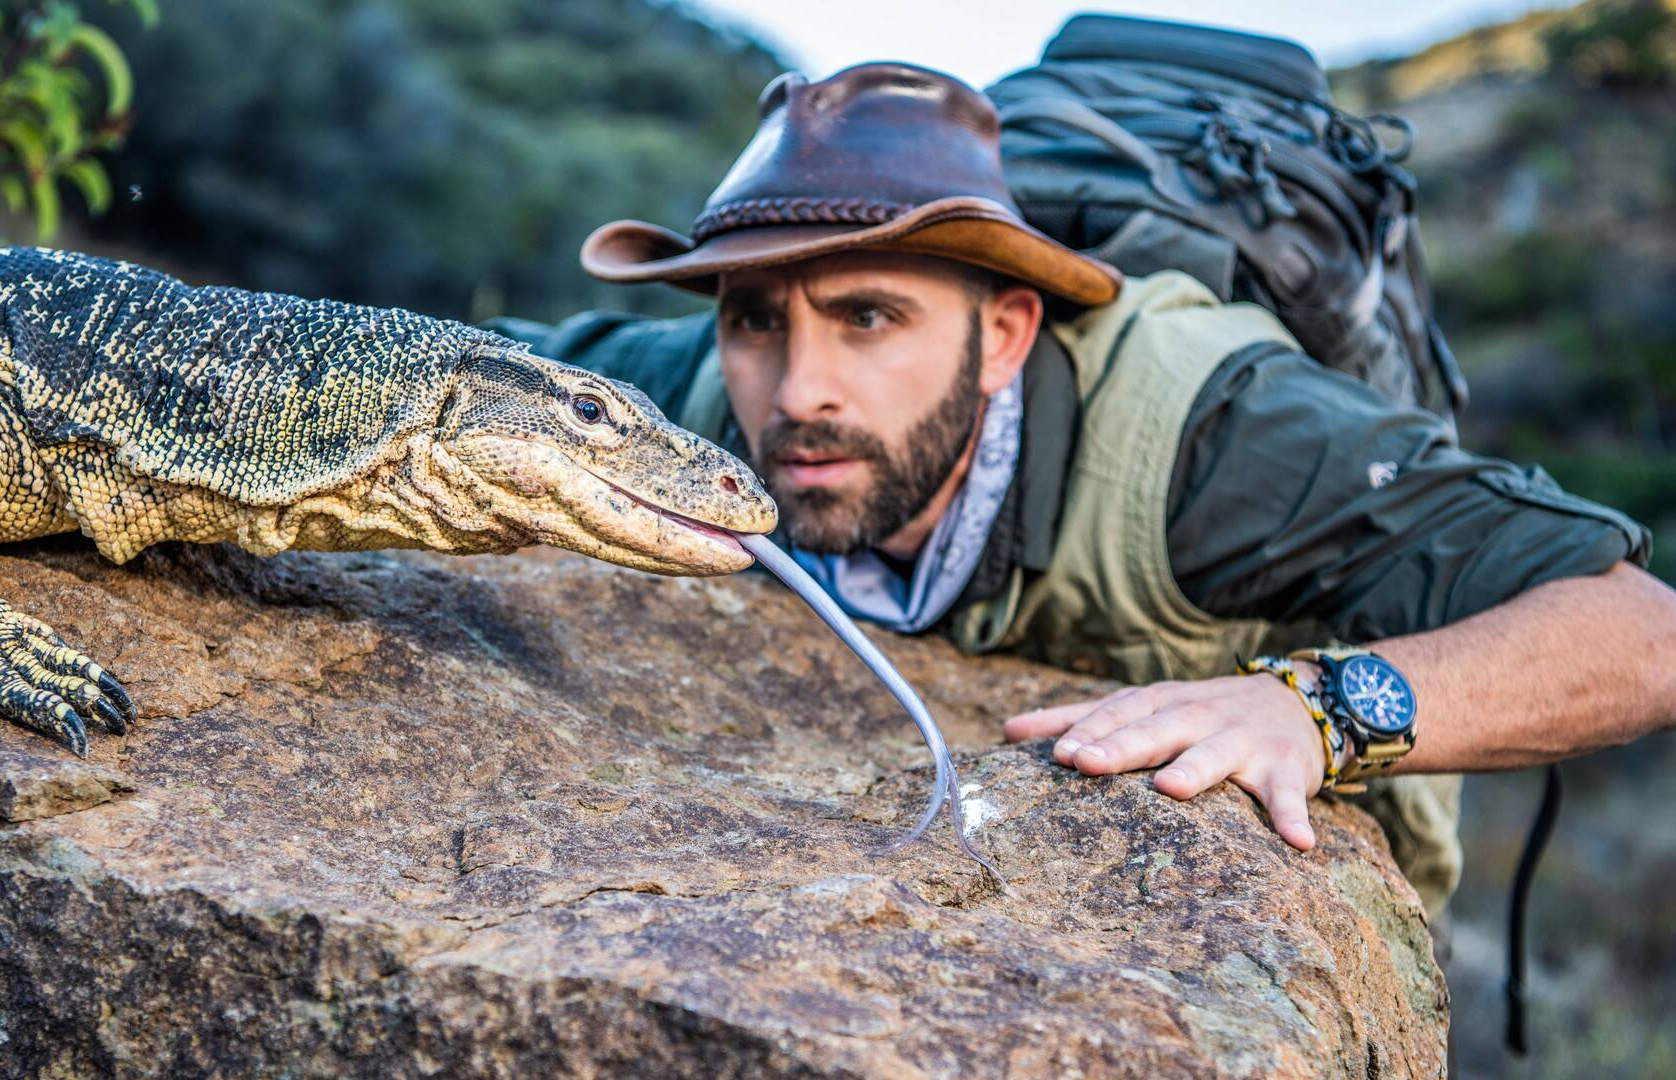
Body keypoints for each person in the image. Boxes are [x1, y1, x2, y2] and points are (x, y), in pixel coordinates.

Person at [488, 62, 1676, 914]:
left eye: (868, 317)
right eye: (755, 318)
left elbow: (1641, 633)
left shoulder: (1216, 434)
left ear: (1005, 335)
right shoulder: (686, 395)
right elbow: (447, 366)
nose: (799, 390)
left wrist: (1312, 711)